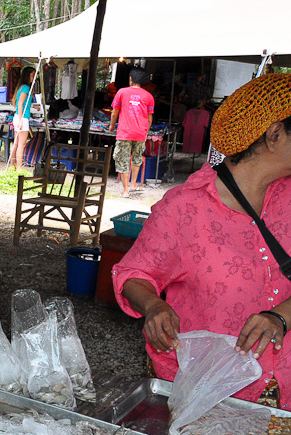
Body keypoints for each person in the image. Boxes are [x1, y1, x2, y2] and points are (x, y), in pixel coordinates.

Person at [112, 73, 291, 410]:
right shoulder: (185, 207)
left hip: (284, 385)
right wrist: (153, 305)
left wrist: (280, 317)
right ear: (275, 134)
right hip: (206, 391)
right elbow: (134, 274)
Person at [109, 68, 155, 197]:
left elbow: (114, 112)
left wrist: (112, 125)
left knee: (122, 159)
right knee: (137, 158)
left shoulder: (122, 92)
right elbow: (150, 118)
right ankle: (134, 184)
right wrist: (146, 131)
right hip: (140, 133)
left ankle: (125, 190)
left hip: (124, 132)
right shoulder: (148, 96)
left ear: (130, 79)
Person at [7, 66, 35, 170]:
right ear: (27, 76)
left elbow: (23, 104)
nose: (33, 78)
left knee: (16, 143)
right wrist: (21, 119)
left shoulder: (22, 87)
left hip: (19, 116)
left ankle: (12, 165)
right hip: (22, 117)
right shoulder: (26, 88)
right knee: (21, 144)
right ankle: (19, 167)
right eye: (32, 75)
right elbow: (20, 103)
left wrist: (32, 106)